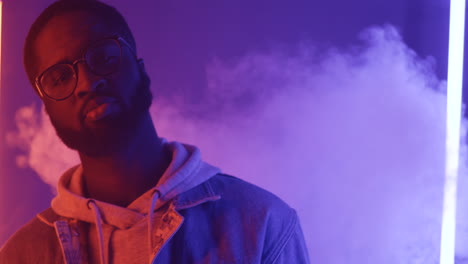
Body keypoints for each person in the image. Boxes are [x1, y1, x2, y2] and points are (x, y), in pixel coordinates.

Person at [0, 0, 310, 263]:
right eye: (59, 78)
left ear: (140, 68)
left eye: (103, 57)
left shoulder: (261, 223)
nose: (87, 83)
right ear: (48, 109)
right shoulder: (20, 255)